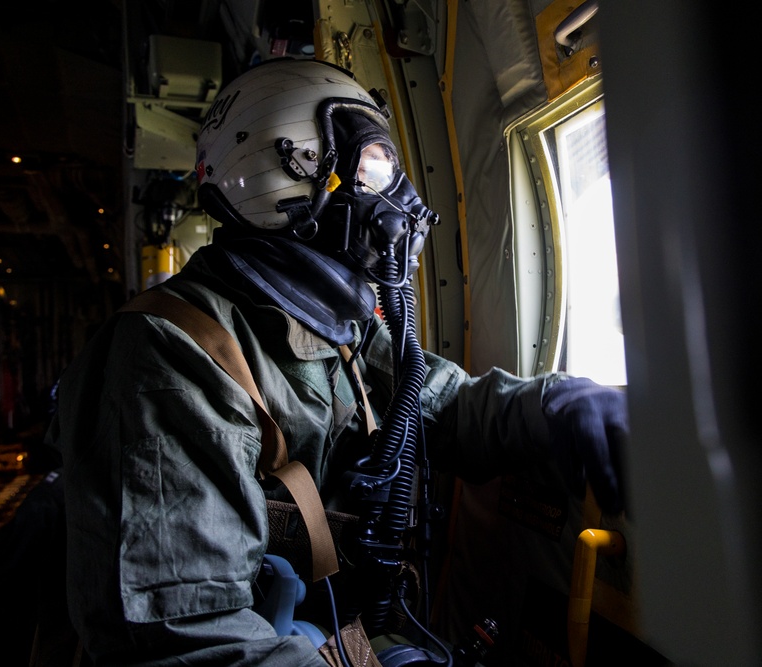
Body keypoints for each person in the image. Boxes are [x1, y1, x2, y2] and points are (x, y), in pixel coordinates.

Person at [48, 58, 627, 667]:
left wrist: (559, 405)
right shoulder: (169, 356)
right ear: (283, 176)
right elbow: (187, 639)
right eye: (373, 169)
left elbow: (440, 404)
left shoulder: (330, 325)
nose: (401, 200)